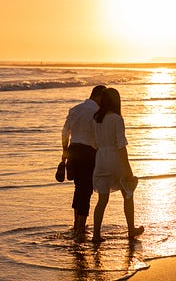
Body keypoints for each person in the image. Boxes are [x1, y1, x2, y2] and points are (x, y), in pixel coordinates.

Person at [92, 88, 144, 243]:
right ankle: (131, 230)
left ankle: (96, 234)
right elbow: (121, 146)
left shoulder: (96, 118)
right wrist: (128, 169)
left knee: (102, 200)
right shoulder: (116, 118)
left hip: (100, 158)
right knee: (128, 194)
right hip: (115, 158)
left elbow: (95, 142)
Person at [61, 85, 106, 235]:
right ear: (99, 96)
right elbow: (98, 137)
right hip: (88, 153)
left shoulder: (74, 109)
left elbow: (65, 133)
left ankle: (76, 223)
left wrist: (64, 153)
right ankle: (81, 227)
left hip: (73, 150)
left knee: (78, 187)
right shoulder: (97, 112)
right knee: (86, 190)